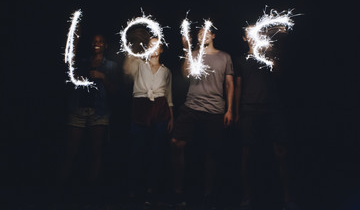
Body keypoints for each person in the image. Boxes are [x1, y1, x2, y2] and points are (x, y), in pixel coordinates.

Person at [234, 26, 301, 210]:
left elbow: (279, 73)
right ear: (244, 38)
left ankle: (288, 198)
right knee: (246, 154)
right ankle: (246, 197)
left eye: (253, 31)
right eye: (247, 32)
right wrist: (237, 111)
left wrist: (274, 50)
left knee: (281, 152)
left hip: (272, 108)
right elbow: (238, 87)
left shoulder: (268, 56)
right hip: (248, 108)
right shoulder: (240, 60)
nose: (251, 34)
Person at [170, 27, 234, 209]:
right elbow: (185, 74)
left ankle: (208, 195)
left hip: (215, 110)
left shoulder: (225, 57)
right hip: (192, 106)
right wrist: (186, 50)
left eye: (206, 33)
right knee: (176, 143)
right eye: (199, 34)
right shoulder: (194, 53)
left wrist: (230, 110)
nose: (202, 35)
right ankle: (178, 192)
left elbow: (229, 84)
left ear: (214, 35)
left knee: (212, 152)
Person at [60, 34, 118, 187]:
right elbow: (71, 78)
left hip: (99, 111)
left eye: (100, 41)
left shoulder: (111, 66)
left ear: (105, 45)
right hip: (78, 109)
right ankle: (62, 186)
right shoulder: (83, 62)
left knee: (96, 152)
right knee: (70, 150)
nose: (96, 44)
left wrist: (103, 77)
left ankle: (92, 187)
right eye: (94, 41)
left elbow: (114, 92)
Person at [123, 35, 174, 209]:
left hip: (160, 111)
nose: (153, 48)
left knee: (156, 152)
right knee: (137, 151)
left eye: (157, 45)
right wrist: (133, 49)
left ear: (161, 50)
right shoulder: (139, 64)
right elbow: (126, 70)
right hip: (140, 109)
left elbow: (169, 96)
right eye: (150, 45)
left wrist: (171, 117)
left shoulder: (166, 71)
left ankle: (151, 191)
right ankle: (133, 191)